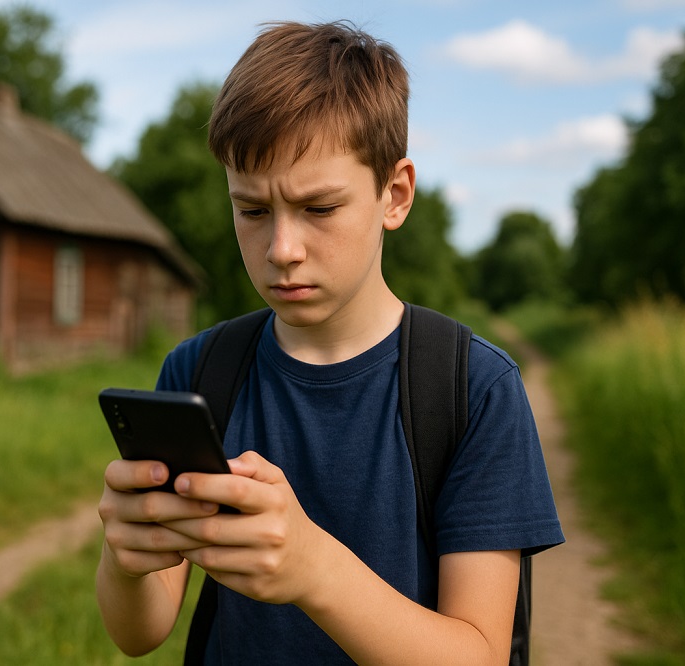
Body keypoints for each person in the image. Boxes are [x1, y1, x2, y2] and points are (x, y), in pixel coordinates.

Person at [96, 20, 564, 665]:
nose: (282, 251)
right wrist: (125, 559)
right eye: (253, 211)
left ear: (394, 195)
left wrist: (316, 570)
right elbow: (138, 633)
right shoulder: (200, 371)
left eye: (319, 209)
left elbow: (478, 655)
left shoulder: (471, 389)